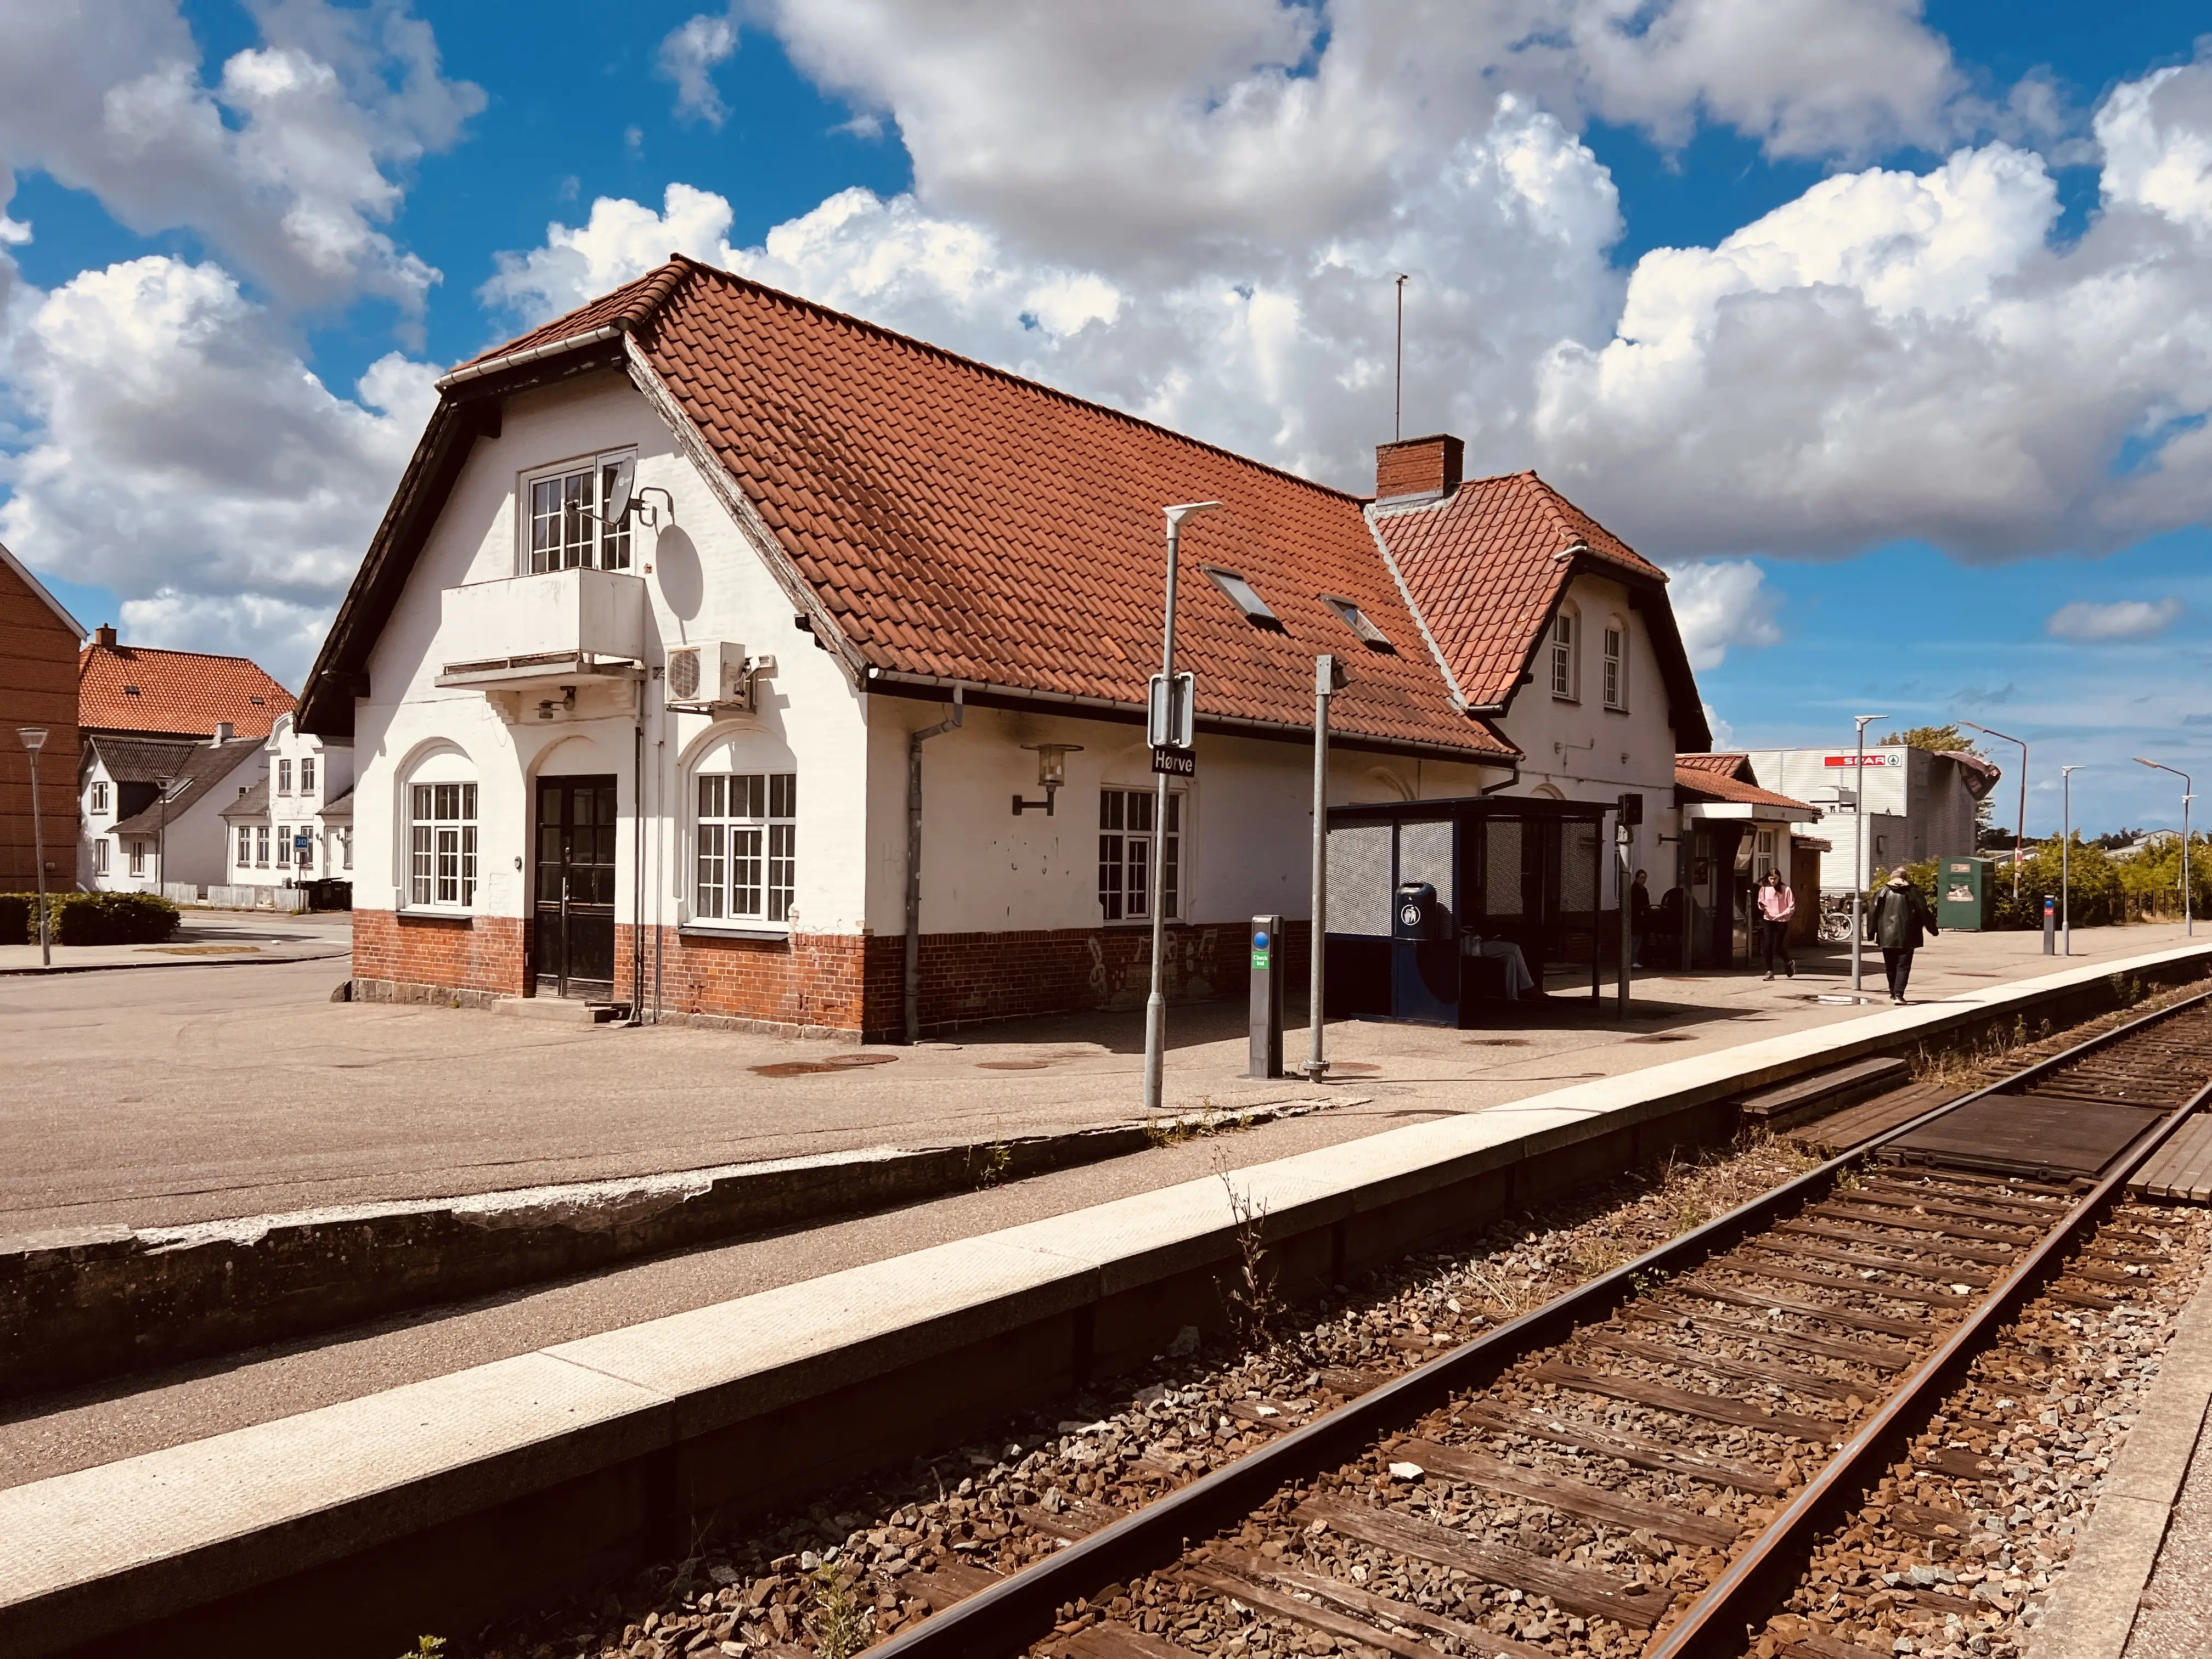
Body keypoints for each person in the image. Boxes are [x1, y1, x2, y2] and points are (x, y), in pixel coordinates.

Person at [1867, 866, 1939, 1005]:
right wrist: (1933, 929)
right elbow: (1924, 912)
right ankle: (1899, 995)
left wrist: (1871, 933)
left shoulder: (1882, 892)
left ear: (1891, 878)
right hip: (1908, 935)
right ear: (1905, 879)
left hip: (1887, 936)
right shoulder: (1913, 892)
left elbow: (1873, 913)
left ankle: (1893, 993)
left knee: (1890, 966)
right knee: (1903, 966)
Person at [1756, 868, 1796, 980]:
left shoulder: (1786, 890)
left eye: (1775, 879)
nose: (1773, 881)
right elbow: (1761, 903)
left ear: (1779, 878)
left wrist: (1782, 915)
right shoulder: (1764, 889)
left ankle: (1788, 962)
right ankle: (1769, 971)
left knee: (1777, 946)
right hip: (1768, 919)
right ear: (1768, 878)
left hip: (1782, 921)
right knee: (1767, 945)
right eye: (1771, 879)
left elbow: (1791, 906)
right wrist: (1762, 907)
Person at [1629, 869, 1652, 969]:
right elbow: (1633, 904)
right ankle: (1633, 960)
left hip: (1643, 919)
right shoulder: (1633, 890)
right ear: (1637, 878)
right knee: (1635, 940)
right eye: (1642, 878)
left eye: (1645, 878)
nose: (1644, 880)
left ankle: (1638, 959)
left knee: (1640, 940)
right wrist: (1640, 911)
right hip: (1636, 919)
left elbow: (1646, 903)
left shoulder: (1644, 890)